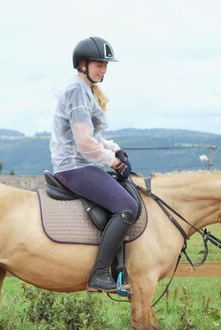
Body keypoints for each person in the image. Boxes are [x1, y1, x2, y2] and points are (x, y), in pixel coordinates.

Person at [49, 36, 138, 293]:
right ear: (82, 65)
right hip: (74, 166)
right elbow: (84, 143)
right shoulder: (77, 91)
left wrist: (115, 149)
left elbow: (95, 137)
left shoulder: (85, 91)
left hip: (83, 164)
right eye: (99, 64)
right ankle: (99, 274)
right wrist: (112, 162)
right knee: (127, 207)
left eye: (106, 64)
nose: (104, 69)